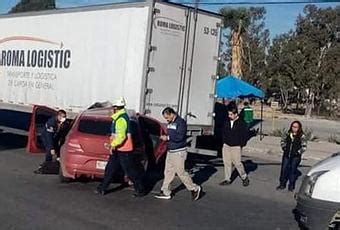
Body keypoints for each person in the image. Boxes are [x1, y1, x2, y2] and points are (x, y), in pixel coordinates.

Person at [95, 97, 146, 197]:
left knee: (130, 171)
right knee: (110, 169)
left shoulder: (121, 119)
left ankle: (140, 189)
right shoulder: (119, 117)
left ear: (116, 108)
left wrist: (112, 144)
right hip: (118, 149)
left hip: (124, 149)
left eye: (113, 107)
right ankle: (102, 188)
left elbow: (121, 136)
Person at [154, 107, 201, 201]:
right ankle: (165, 191)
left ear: (172, 114)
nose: (166, 120)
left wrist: (167, 138)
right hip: (170, 151)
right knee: (168, 172)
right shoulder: (170, 123)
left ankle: (194, 188)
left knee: (181, 172)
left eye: (167, 117)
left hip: (179, 152)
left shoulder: (181, 122)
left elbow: (180, 137)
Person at [219, 106, 250, 186]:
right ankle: (227, 179)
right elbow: (223, 132)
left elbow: (244, 136)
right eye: (229, 114)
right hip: (226, 145)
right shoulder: (226, 121)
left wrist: (241, 144)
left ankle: (244, 177)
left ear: (236, 114)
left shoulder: (241, 123)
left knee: (237, 163)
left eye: (231, 114)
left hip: (236, 146)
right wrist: (224, 142)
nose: (229, 116)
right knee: (227, 162)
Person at [276, 121, 307, 192]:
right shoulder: (287, 133)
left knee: (292, 170)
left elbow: (304, 147)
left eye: (296, 127)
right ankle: (282, 184)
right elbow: (282, 141)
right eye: (293, 126)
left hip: (295, 157)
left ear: (299, 128)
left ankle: (291, 186)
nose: (294, 128)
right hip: (287, 155)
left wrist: (298, 152)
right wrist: (284, 148)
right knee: (284, 169)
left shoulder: (302, 135)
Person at [34, 110, 67, 174]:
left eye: (65, 116)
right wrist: (51, 148)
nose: (64, 118)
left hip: (54, 137)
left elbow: (61, 134)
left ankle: (54, 164)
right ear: (58, 116)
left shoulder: (63, 123)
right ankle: (45, 166)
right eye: (63, 116)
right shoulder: (51, 122)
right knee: (49, 151)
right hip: (46, 137)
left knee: (56, 149)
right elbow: (49, 137)